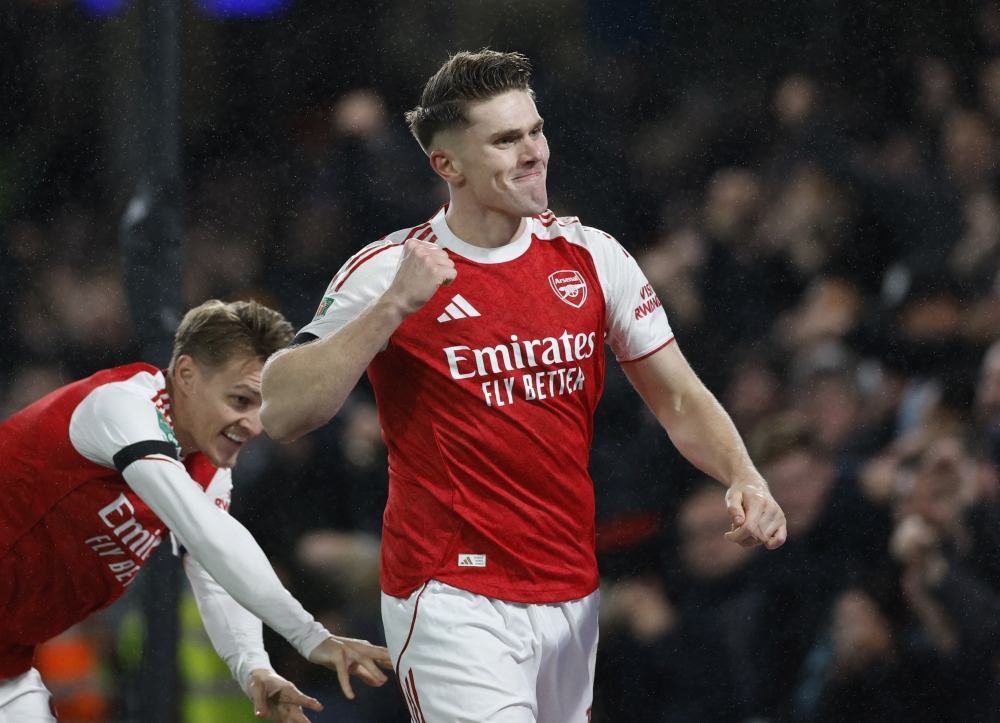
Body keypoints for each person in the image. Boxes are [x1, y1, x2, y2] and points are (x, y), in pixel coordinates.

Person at [260, 50, 787, 722]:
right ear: (448, 165)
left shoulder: (593, 256)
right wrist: (393, 307)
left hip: (571, 587)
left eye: (535, 131)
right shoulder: (390, 268)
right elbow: (282, 410)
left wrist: (744, 473)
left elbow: (679, 397)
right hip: (450, 593)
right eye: (505, 140)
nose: (533, 152)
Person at [0, 299, 391, 723]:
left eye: (261, 407)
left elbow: (217, 574)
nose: (254, 425)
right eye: (240, 400)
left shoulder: (206, 467)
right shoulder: (121, 407)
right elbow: (209, 535)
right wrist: (309, 635)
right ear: (185, 374)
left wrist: (252, 666)